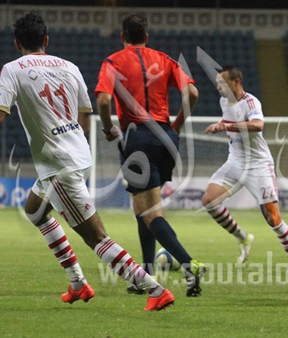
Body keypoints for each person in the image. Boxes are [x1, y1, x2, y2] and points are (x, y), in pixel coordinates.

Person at [0, 12, 173, 311]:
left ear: (17, 43)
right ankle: (77, 283)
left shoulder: (12, 69)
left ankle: (154, 289)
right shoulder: (70, 66)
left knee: (96, 237)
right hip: (77, 154)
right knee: (35, 211)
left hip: (60, 164)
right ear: (46, 40)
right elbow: (84, 115)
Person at [94, 14, 204, 297]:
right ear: (147, 36)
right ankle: (146, 274)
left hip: (138, 138)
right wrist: (177, 124)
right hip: (166, 137)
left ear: (122, 37)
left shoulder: (113, 62)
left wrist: (108, 128)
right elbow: (191, 93)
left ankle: (188, 264)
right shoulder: (166, 60)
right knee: (143, 209)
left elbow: (104, 99)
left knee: (150, 212)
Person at [202, 65, 288, 273]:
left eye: (223, 83)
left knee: (272, 217)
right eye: (218, 83)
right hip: (235, 161)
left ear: (236, 82)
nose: (219, 87)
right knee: (209, 201)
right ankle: (243, 238)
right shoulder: (224, 101)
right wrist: (219, 124)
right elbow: (228, 120)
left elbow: (258, 125)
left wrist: (225, 126)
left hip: (258, 164)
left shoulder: (251, 102)